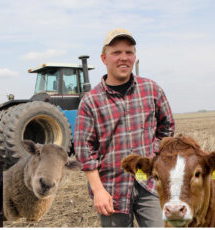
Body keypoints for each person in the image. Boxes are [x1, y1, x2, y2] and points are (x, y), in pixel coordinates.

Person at [74, 28, 175, 227]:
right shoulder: (90, 102)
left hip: (151, 185)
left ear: (135, 57)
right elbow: (85, 152)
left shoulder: (152, 90)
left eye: (129, 52)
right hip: (112, 190)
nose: (123, 58)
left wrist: (153, 154)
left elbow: (167, 128)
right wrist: (98, 191)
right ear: (104, 58)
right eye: (116, 53)